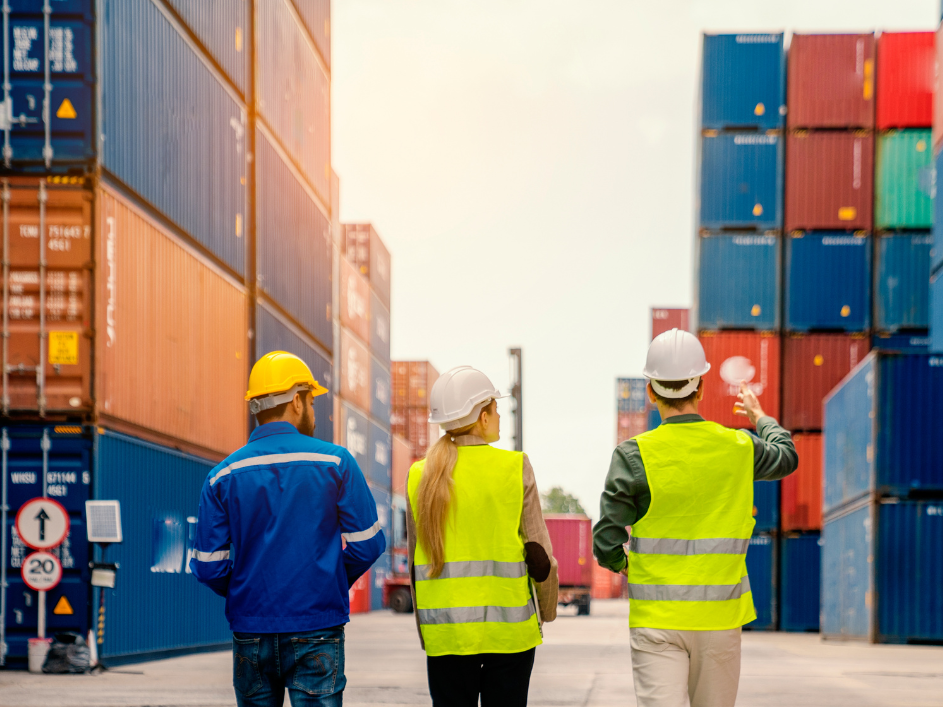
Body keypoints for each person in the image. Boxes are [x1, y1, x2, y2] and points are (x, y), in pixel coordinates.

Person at [593, 329, 798, 707]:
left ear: (651, 391)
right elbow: (786, 455)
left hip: (656, 619)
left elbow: (605, 539)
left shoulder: (633, 454)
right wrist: (759, 415)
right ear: (701, 387)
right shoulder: (738, 446)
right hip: (719, 621)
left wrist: (625, 565)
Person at [191, 351, 386, 707]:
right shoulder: (336, 462)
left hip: (251, 630)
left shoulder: (222, 476)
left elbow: (208, 566)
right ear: (297, 401)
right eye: (312, 400)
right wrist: (328, 579)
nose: (314, 410)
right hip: (316, 626)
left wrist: (247, 591)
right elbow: (369, 545)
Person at [405, 365, 559, 707]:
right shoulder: (515, 466)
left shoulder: (419, 474)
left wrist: (427, 633)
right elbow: (539, 557)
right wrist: (546, 613)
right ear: (483, 417)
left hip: (446, 635)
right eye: (496, 408)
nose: (500, 416)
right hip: (510, 635)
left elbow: (416, 565)